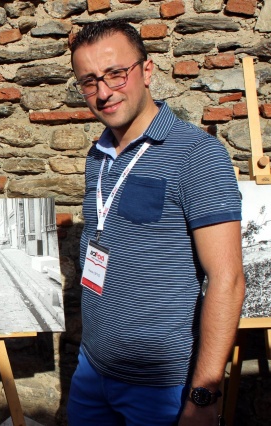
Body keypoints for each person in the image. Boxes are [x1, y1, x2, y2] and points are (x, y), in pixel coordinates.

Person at [67, 20, 245, 426]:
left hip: (162, 387)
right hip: (91, 371)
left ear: (147, 71)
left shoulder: (197, 155)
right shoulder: (97, 155)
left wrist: (203, 396)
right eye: (89, 81)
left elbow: (228, 280)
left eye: (116, 73)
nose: (104, 92)